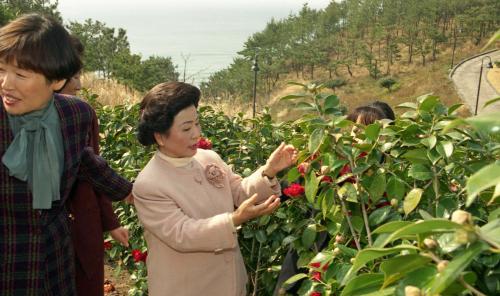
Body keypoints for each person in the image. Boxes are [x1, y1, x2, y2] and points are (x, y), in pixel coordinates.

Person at [0, 14, 132, 295]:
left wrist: (128, 191)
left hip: (54, 258)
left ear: (57, 80)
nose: (6, 84)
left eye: (20, 74)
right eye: (1, 69)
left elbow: (83, 158)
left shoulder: (75, 113)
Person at [132, 81, 298, 295]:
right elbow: (183, 234)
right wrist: (234, 220)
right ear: (159, 136)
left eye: (197, 123)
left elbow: (239, 192)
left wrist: (268, 171)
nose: (196, 134)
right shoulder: (149, 184)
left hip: (228, 282)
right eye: (186, 128)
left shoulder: (208, 158)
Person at [273, 103, 394, 295]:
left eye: (369, 129)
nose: (359, 134)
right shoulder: (331, 158)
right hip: (316, 245)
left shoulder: (384, 170)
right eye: (356, 128)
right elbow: (287, 188)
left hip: (356, 252)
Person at [58, 36, 129, 296]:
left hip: (82, 221)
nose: (79, 84)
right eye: (74, 76)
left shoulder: (80, 113)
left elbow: (94, 169)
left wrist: (110, 221)